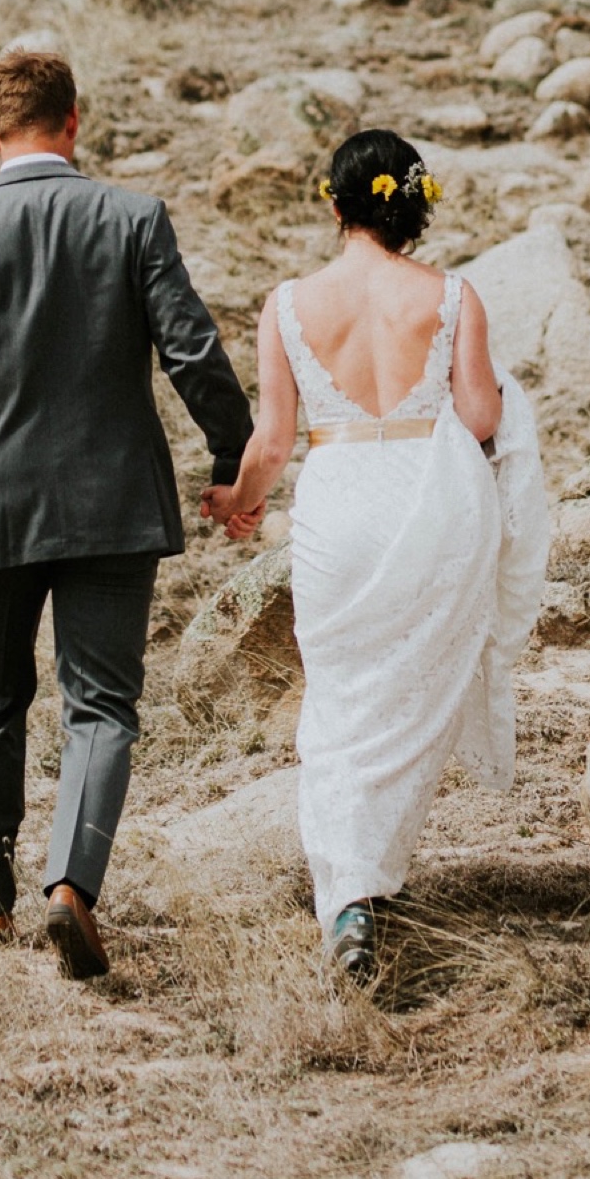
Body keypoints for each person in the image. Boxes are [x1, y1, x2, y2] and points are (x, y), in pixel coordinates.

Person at [0, 46, 254, 980]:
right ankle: (72, 888)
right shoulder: (132, 219)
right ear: (75, 121)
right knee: (100, 705)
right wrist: (229, 456)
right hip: (112, 507)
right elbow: (193, 351)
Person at [203, 128, 552, 985]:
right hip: (434, 503)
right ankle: (366, 879)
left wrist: (237, 502)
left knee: (341, 700)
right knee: (412, 697)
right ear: (414, 206)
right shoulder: (455, 295)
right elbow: (477, 418)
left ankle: (350, 895)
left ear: (334, 204)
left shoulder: (287, 305)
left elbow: (275, 441)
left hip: (340, 504)